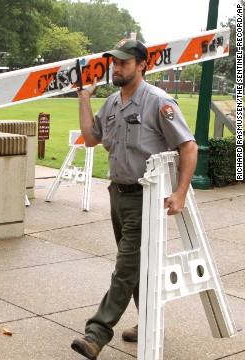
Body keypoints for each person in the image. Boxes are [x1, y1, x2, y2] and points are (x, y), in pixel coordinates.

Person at [70, 38, 198, 359]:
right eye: (115, 62)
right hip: (118, 194)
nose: (117, 67)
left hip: (147, 197)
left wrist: (180, 192)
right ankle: (149, 322)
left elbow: (188, 146)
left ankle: (96, 333)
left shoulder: (158, 101)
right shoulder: (112, 104)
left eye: (125, 62)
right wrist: (84, 98)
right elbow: (90, 138)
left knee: (126, 266)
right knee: (136, 266)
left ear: (143, 65)